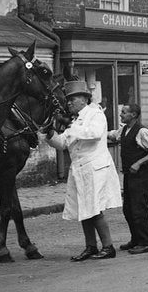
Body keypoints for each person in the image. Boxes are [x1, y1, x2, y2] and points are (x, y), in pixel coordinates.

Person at [45, 81, 121, 261]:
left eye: (73, 99)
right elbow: (62, 143)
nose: (69, 102)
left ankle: (108, 247)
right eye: (68, 99)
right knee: (83, 209)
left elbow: (95, 134)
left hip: (95, 168)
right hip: (79, 169)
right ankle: (91, 247)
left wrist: (71, 128)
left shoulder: (96, 114)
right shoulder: (75, 120)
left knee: (94, 208)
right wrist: (49, 134)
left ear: (84, 99)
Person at [108, 103, 148, 254]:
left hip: (142, 176)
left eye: (124, 112)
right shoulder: (124, 130)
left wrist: (139, 163)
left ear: (133, 115)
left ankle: (147, 243)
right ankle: (136, 239)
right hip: (129, 175)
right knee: (128, 209)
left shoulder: (142, 131)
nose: (121, 114)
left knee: (139, 210)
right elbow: (112, 135)